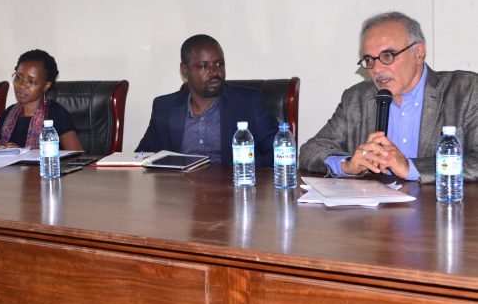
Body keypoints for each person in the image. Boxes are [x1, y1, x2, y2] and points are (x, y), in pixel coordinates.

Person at [299, 11, 478, 183]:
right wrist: (347, 165)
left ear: (419, 52)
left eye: (388, 55)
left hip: (442, 208)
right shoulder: (356, 98)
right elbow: (311, 150)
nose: (376, 69)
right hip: (377, 211)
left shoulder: (466, 90)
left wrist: (411, 168)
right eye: (369, 60)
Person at [136, 34, 278, 166]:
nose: (214, 72)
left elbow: (278, 151)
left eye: (219, 64)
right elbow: (142, 158)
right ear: (185, 71)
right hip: (180, 191)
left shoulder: (248, 103)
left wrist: (240, 170)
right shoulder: (164, 108)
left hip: (232, 189)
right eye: (204, 66)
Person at [0, 49, 83, 150]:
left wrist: (22, 154)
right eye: (18, 78)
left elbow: (76, 159)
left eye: (31, 81)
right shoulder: (8, 114)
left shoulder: (57, 114)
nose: (21, 85)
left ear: (46, 85)